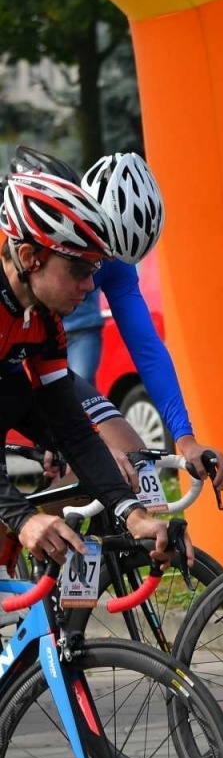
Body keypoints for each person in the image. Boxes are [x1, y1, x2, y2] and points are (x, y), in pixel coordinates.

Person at [7, 147, 223, 490]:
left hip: (53, 360)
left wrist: (185, 439)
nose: (95, 268)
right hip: (17, 357)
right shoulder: (45, 251)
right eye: (87, 260)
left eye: (107, 260)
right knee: (97, 457)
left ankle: (52, 530)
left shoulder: (116, 266)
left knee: (132, 461)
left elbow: (147, 348)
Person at [0, 170, 175, 566]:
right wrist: (23, 519)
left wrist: (134, 514)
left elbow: (72, 428)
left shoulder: (44, 318)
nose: (88, 286)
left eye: (95, 271)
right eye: (79, 271)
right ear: (30, 257)